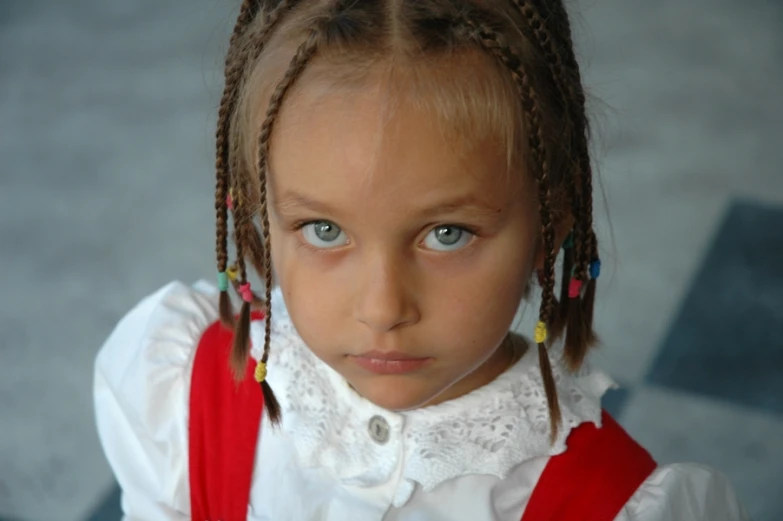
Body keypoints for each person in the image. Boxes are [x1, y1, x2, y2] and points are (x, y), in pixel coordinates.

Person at [94, 1, 748, 519]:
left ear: (553, 224)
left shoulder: (608, 502)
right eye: (324, 229)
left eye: (446, 234)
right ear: (257, 215)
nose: (382, 307)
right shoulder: (185, 390)